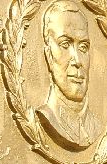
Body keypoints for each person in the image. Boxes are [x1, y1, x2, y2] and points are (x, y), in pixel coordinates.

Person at [35, 0, 99, 152]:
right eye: (65, 44)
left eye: (83, 47)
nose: (77, 60)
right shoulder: (46, 116)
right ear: (48, 54)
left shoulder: (97, 126)